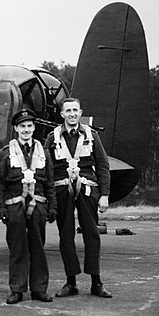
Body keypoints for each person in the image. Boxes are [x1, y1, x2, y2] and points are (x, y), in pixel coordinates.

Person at [44, 97, 112, 298]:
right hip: (61, 189)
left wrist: (105, 195)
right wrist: (48, 196)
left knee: (92, 234)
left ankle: (96, 282)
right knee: (66, 236)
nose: (72, 114)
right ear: (62, 114)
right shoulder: (52, 137)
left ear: (80, 113)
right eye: (68, 111)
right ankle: (70, 282)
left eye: (75, 110)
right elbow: (46, 168)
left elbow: (102, 165)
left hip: (88, 189)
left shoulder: (92, 136)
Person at [0, 107, 57, 304]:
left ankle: (39, 289)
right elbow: (0, 184)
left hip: (38, 205)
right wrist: (1, 209)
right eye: (22, 126)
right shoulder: (6, 153)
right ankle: (17, 289)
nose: (26, 129)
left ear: (34, 128)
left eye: (29, 126)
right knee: (17, 248)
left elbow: (49, 183)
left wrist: (52, 207)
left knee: (38, 247)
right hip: (14, 206)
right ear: (15, 128)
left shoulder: (44, 153)